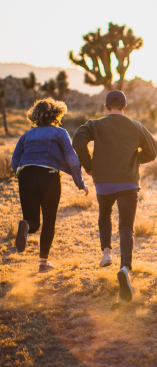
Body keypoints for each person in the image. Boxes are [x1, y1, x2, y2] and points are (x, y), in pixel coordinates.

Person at [73, 90, 157, 302]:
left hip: (103, 183)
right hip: (128, 182)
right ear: (125, 107)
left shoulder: (95, 125)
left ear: (106, 107)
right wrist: (136, 158)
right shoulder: (136, 126)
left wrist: (90, 165)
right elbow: (154, 150)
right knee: (126, 227)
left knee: (104, 213)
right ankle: (125, 268)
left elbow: (77, 140)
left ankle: (106, 253)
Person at [11, 98, 88, 272]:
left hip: (26, 174)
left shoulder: (27, 135)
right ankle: (43, 263)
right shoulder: (60, 132)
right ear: (56, 114)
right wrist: (80, 183)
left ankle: (26, 225)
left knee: (33, 221)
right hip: (49, 175)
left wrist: (22, 175)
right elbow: (71, 158)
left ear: (35, 115)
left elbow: (15, 160)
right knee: (49, 220)